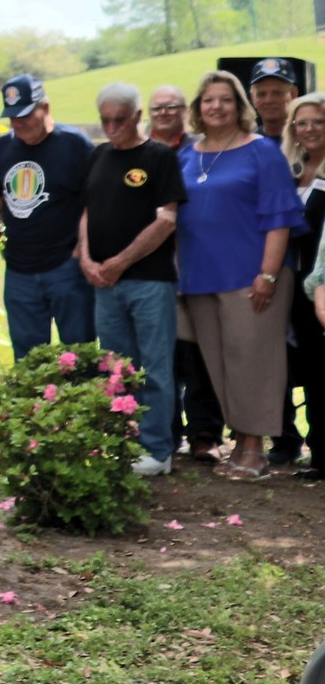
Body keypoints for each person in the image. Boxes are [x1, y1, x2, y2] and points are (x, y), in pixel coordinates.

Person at [175, 70, 306, 480]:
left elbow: (280, 218)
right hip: (199, 279)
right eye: (209, 100)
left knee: (254, 364)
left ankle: (254, 450)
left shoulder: (261, 151)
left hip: (252, 278)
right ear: (198, 108)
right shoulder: (186, 156)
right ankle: (241, 444)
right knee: (220, 366)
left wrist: (268, 275)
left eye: (225, 99)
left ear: (239, 106)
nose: (216, 106)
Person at [79, 83, 188, 477]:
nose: (111, 128)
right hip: (105, 284)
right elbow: (87, 212)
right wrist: (87, 259)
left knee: (154, 368)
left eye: (119, 120)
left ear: (138, 117)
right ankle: (122, 444)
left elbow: (167, 220)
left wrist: (119, 263)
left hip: (149, 281)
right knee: (116, 369)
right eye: (105, 120)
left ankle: (157, 449)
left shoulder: (159, 157)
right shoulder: (98, 156)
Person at [0, 75, 95, 360]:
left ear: (45, 107)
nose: (18, 123)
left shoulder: (75, 145)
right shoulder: (4, 146)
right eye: (12, 117)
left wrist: (82, 249)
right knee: (28, 361)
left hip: (66, 267)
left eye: (25, 115)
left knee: (80, 356)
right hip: (19, 271)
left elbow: (94, 201)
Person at [146, 81, 220, 458]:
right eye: (157, 108)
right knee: (160, 355)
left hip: (197, 263)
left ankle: (204, 433)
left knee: (198, 353)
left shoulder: (202, 151)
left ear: (184, 111)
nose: (164, 113)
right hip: (148, 268)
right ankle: (167, 431)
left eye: (172, 107)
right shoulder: (136, 153)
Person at [255, 58, 308, 466]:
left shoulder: (309, 141)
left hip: (307, 264)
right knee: (272, 355)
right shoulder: (248, 144)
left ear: (293, 94)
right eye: (262, 92)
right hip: (264, 264)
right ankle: (284, 438)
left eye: (278, 91)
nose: (270, 99)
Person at [282, 93, 325, 477]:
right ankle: (319, 452)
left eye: (318, 121)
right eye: (302, 122)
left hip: (323, 284)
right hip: (294, 287)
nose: (309, 129)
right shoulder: (291, 171)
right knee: (311, 371)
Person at [252, 57, 299, 141]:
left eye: (277, 93)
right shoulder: (246, 143)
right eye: (261, 94)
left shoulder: (308, 141)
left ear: (293, 94)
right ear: (253, 98)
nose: (268, 100)